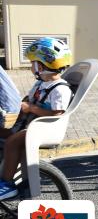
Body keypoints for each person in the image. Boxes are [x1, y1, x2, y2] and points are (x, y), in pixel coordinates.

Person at [0, 37, 73, 200]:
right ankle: (5, 168)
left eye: (33, 63)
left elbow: (57, 114)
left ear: (42, 65)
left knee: (12, 142)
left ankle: (6, 185)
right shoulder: (42, 83)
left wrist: (31, 108)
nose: (31, 67)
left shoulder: (60, 89)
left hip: (42, 128)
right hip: (30, 125)